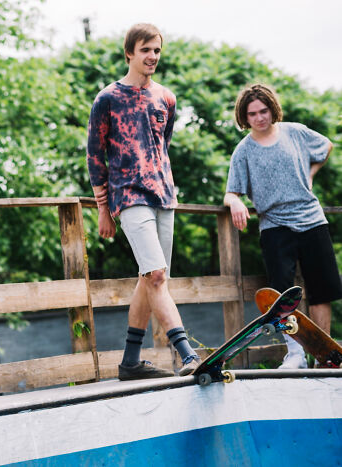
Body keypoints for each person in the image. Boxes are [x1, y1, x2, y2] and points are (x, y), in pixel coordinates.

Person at [86, 23, 200, 381]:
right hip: (128, 196)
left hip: (164, 196)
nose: (152, 57)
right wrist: (103, 209)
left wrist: (169, 188)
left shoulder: (166, 98)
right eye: (145, 50)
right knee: (156, 274)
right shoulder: (107, 99)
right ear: (129, 54)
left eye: (157, 51)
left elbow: (162, 148)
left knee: (149, 278)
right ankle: (188, 353)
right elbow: (94, 157)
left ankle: (130, 362)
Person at [224, 83, 340, 369]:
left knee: (322, 290)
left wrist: (309, 174)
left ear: (272, 109)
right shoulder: (243, 151)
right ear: (244, 117)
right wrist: (235, 203)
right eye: (252, 114)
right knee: (281, 294)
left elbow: (326, 145)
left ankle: (323, 356)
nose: (260, 118)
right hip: (274, 224)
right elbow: (231, 191)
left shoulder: (295, 132)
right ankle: (296, 354)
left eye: (264, 111)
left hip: (312, 219)